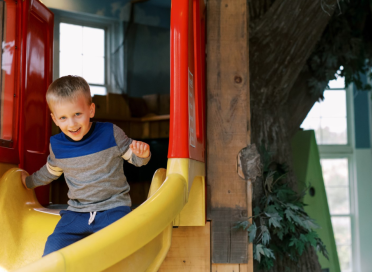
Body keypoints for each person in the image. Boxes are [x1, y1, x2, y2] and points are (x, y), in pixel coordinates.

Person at [21, 75, 151, 256]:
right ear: (55, 119)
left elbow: (135, 159)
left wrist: (143, 155)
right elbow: (50, 172)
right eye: (63, 118)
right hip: (77, 213)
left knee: (118, 247)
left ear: (91, 110)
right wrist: (27, 182)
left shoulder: (110, 133)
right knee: (53, 245)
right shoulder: (57, 145)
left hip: (113, 209)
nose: (72, 124)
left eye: (77, 114)